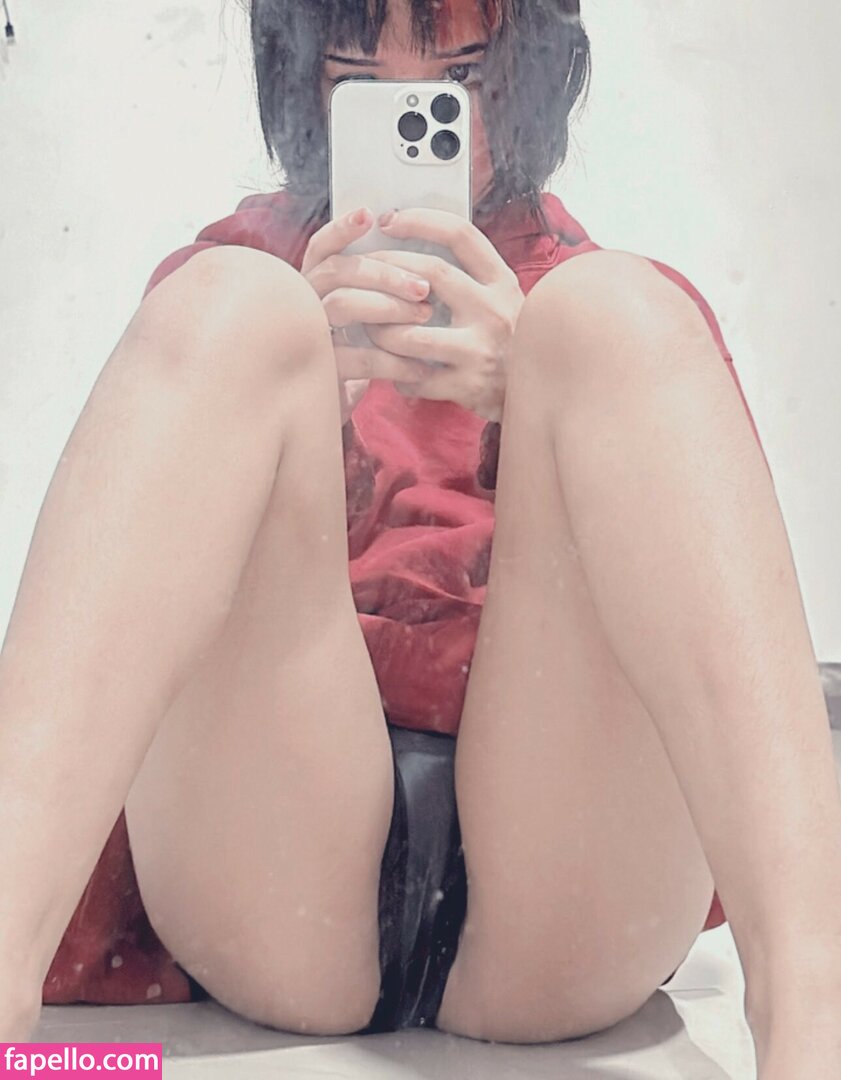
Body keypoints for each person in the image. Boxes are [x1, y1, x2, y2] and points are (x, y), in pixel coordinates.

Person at [1, 0, 840, 1072]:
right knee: (228, 306)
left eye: (459, 78)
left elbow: (722, 629)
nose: (410, 111)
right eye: (357, 79)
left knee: (615, 314)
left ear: (530, 76)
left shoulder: (612, 325)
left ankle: (814, 1023)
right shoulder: (239, 284)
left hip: (564, 874)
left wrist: (526, 396)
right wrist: (293, 402)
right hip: (277, 856)